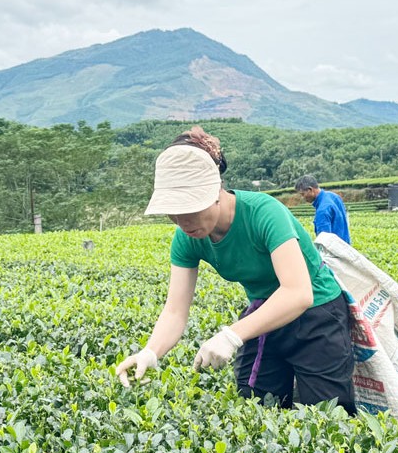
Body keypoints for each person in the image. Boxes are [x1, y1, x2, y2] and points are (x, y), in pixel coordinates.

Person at [115, 127, 356, 414]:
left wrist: (232, 335)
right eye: (173, 212)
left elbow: (298, 293)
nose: (181, 221)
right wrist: (151, 351)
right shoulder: (187, 237)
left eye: (189, 209)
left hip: (318, 315)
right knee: (256, 407)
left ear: (215, 192)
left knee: (327, 415)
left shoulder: (264, 212)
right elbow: (175, 311)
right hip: (265, 317)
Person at [295, 175, 351, 244]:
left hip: (334, 252)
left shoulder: (322, 211)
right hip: (346, 246)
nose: (302, 198)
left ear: (310, 190)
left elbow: (324, 242)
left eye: (303, 194)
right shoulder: (334, 196)